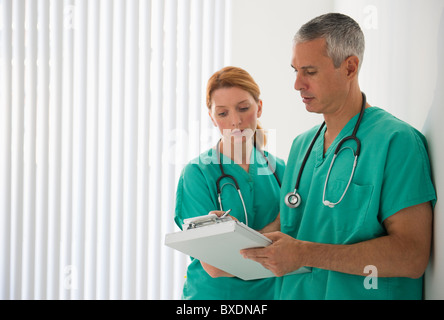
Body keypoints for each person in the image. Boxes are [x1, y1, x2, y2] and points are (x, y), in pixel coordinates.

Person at [241, 13, 436, 299]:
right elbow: (290, 225)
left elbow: (411, 256)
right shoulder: (301, 147)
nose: (297, 84)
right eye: (294, 70)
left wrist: (305, 253)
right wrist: (232, 235)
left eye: (310, 71)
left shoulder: (396, 142)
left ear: (349, 67)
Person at [174, 66, 285, 300]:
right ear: (212, 117)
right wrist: (276, 225)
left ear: (259, 107)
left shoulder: (282, 171)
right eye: (223, 113)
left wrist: (236, 238)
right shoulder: (197, 174)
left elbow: (296, 246)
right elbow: (216, 266)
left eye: (243, 108)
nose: (236, 121)